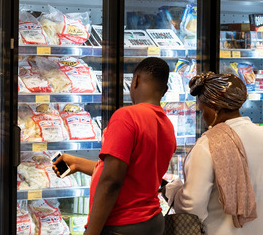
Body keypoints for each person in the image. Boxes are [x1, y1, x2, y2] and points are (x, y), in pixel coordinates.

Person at [53, 57, 176, 235]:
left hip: (121, 224)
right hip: (151, 221)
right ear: (165, 90)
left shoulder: (127, 116)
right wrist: (78, 164)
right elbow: (133, 173)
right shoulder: (167, 125)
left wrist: (92, 232)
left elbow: (112, 180)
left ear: (136, 81)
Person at [165, 72, 263, 235]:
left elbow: (192, 206)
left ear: (214, 107)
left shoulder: (208, 143)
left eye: (203, 110)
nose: (203, 117)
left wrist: (173, 191)